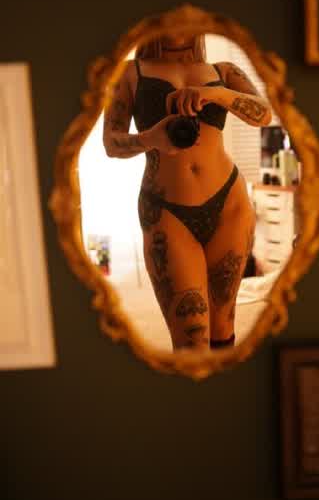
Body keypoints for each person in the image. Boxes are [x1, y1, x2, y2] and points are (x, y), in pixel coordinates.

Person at [103, 32, 272, 351]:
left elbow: (264, 114)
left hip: (229, 204)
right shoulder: (129, 72)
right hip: (167, 212)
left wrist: (214, 94)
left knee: (223, 330)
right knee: (191, 340)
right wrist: (151, 138)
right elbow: (111, 143)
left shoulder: (224, 71)